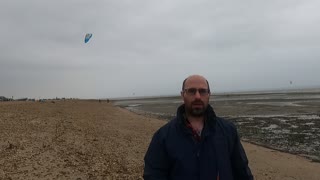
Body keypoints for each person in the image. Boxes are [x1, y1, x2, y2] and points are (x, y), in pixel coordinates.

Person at [143, 75, 253, 180]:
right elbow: (153, 175)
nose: (197, 96)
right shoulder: (163, 136)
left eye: (202, 91)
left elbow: (242, 171)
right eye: (191, 91)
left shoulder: (228, 130)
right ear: (182, 95)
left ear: (209, 94)